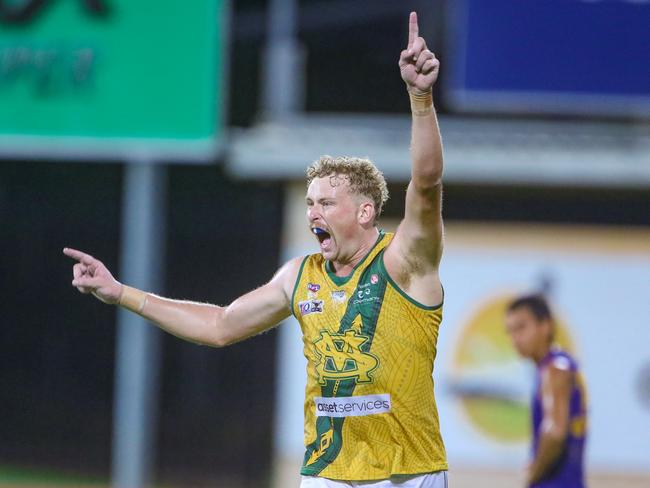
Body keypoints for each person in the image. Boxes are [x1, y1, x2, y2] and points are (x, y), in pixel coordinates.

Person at [64, 11, 448, 488]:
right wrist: (122, 293)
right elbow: (221, 326)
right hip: (327, 474)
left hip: (405, 476)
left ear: (365, 211)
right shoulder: (299, 275)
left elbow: (427, 184)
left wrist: (420, 97)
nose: (313, 213)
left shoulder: (405, 262)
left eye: (327, 202)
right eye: (309, 203)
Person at [505, 295, 587, 488]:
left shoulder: (554, 369)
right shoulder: (561, 364)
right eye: (510, 331)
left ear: (545, 325)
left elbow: (555, 431)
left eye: (521, 327)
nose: (515, 338)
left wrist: (533, 474)